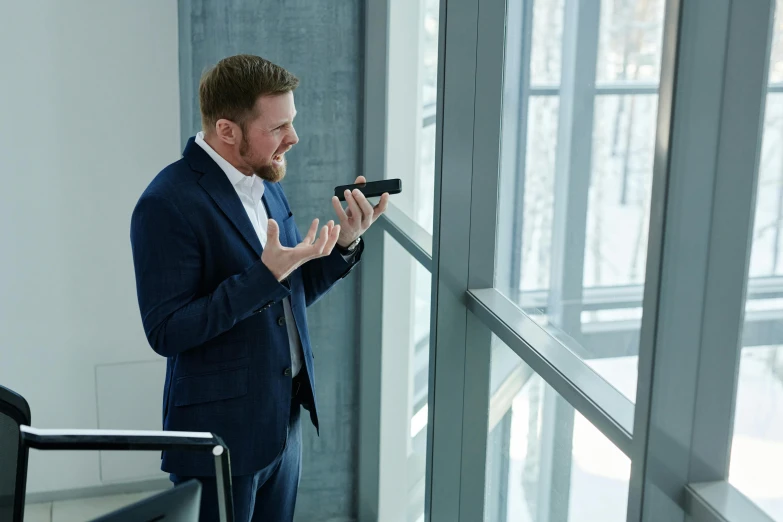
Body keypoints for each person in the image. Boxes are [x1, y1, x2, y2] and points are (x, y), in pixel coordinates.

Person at [130, 54, 388, 521]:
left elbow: (281, 296)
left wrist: (344, 244)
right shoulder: (165, 203)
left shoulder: (264, 181)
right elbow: (166, 330)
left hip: (282, 424)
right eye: (278, 127)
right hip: (220, 438)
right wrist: (263, 277)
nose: (292, 138)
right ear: (227, 130)